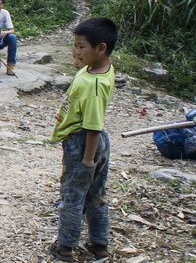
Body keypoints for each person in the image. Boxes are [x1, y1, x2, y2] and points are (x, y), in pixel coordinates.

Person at [49, 18, 117, 263]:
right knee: (96, 194)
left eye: (81, 46)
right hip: (97, 143)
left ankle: (65, 248)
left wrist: (87, 160)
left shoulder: (94, 85)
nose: (75, 51)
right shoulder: (102, 68)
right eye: (75, 45)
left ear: (101, 48)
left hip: (83, 144)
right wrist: (81, 62)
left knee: (72, 198)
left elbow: (93, 125)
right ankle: (99, 244)